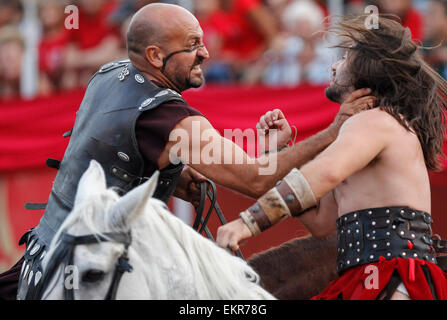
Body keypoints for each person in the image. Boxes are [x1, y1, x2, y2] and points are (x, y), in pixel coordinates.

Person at [0, 3, 372, 300]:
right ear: (155, 55)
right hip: (90, 277)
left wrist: (170, 175)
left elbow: (106, 148)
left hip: (43, 258)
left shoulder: (110, 73)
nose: (206, 53)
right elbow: (257, 178)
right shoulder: (168, 119)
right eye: (192, 45)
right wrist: (333, 130)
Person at [216, 15, 447, 300]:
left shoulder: (376, 120)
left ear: (365, 69)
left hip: (393, 279)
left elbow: (323, 175)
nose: (334, 66)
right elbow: (322, 222)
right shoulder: (366, 129)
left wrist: (246, 223)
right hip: (374, 276)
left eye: (344, 58)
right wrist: (276, 152)